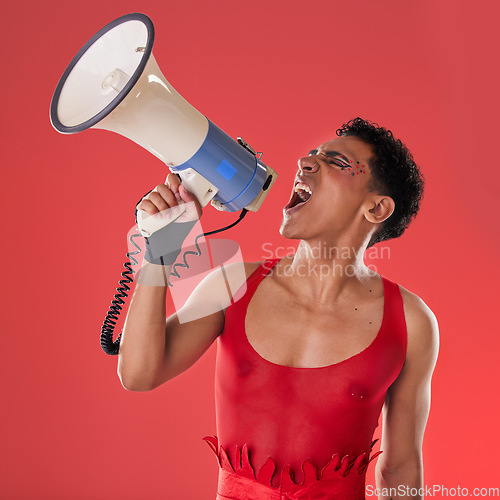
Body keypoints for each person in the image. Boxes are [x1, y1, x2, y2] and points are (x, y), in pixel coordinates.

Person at [118, 117, 439, 499]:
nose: (305, 161)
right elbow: (139, 374)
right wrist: (157, 254)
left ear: (376, 208)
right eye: (312, 154)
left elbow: (400, 467)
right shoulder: (232, 284)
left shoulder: (411, 322)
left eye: (335, 162)